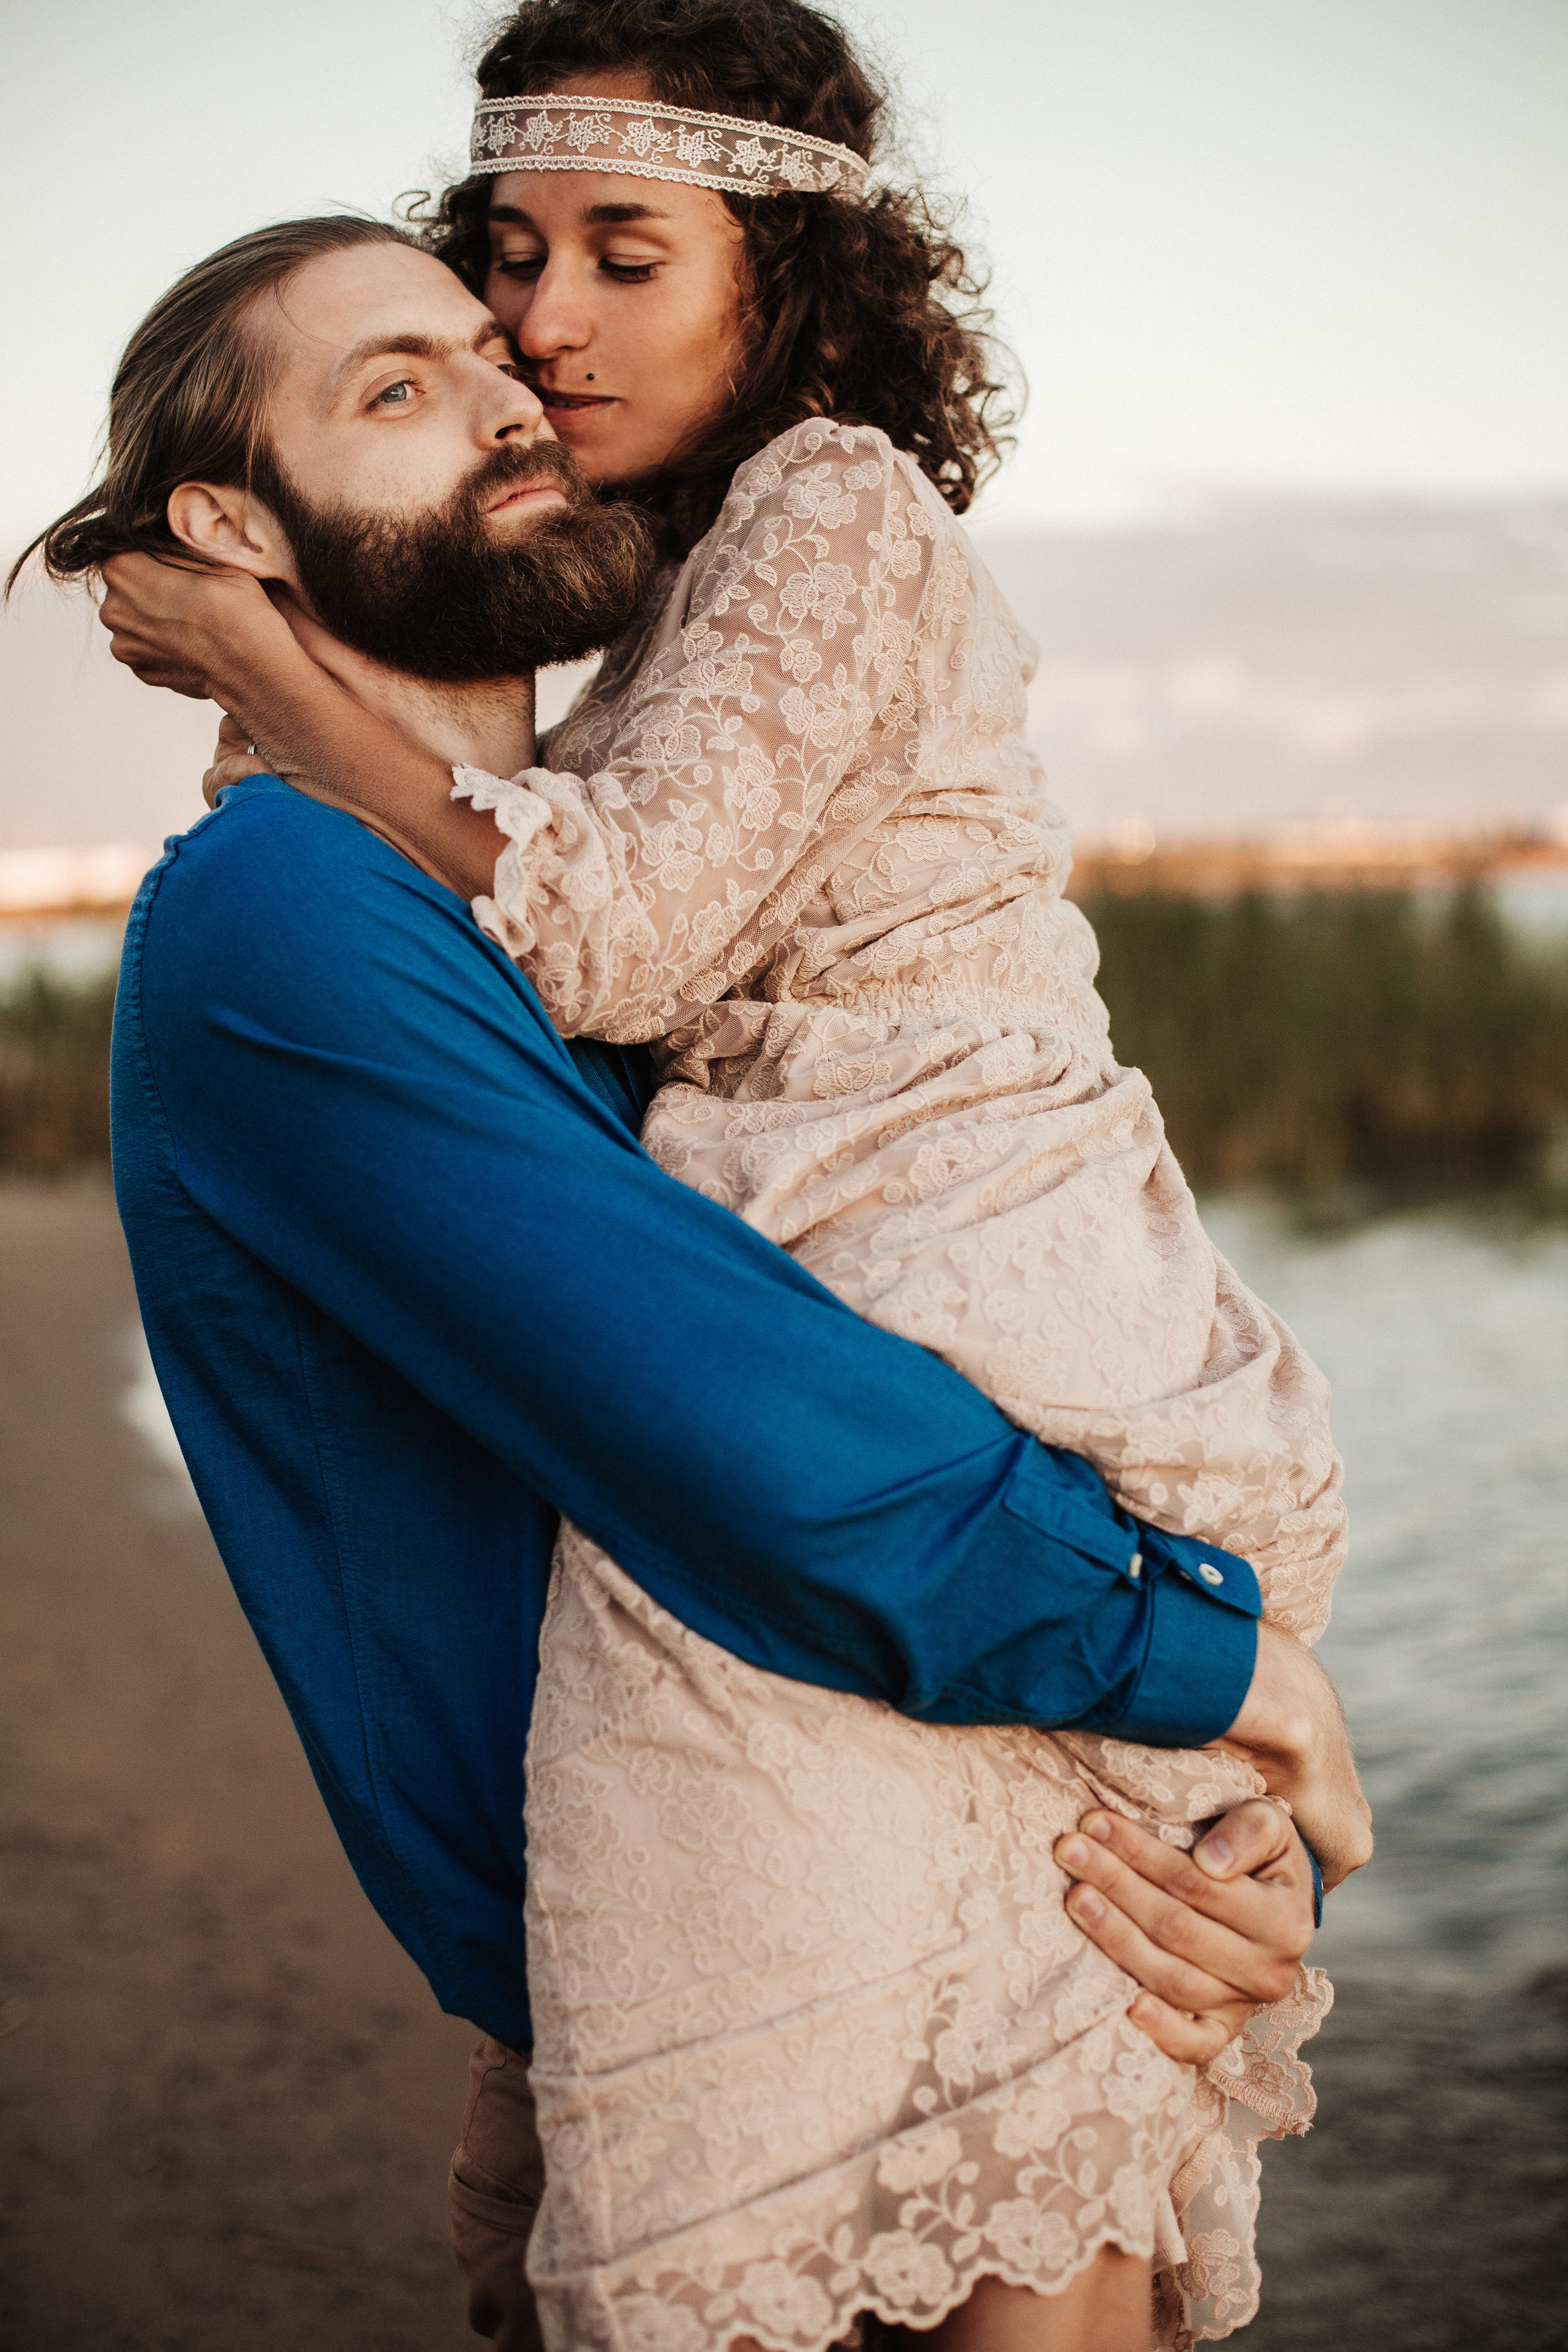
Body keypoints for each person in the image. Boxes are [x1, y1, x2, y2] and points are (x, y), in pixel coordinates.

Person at [78, 13, 1370, 2351]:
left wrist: (1194, 1766)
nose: (524, 364)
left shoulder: (739, 619)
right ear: (228, 525)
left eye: (548, 305)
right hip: (734, 1849)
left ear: (785, 287)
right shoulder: (290, 912)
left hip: (842, 1788)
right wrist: (1210, 1668)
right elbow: (755, 1431)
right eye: (429, 357)